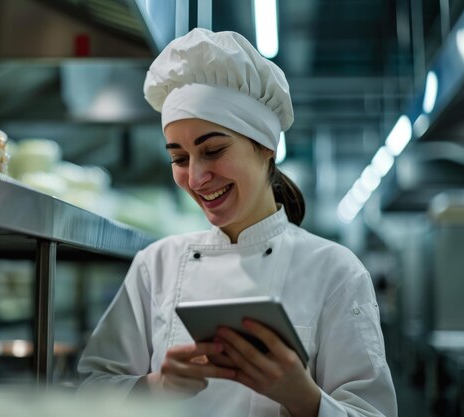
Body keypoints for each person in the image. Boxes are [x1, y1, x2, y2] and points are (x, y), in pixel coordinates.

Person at [77, 28, 397, 417]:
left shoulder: (335, 271)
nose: (195, 178)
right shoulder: (155, 265)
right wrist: (156, 386)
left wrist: (303, 397)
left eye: (212, 150)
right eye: (179, 158)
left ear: (265, 146)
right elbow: (89, 391)